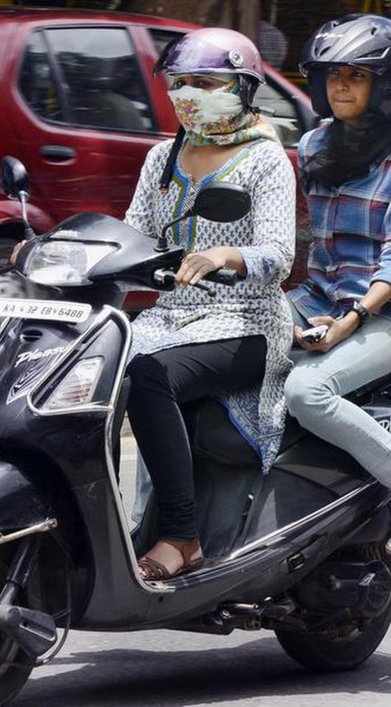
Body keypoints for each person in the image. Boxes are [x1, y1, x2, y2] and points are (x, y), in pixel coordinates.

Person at [124, 28, 296, 580]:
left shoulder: (265, 160)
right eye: (181, 83)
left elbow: (279, 255)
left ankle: (180, 535)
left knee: (147, 376)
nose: (190, 94)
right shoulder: (160, 157)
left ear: (243, 88)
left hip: (246, 324)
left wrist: (228, 254)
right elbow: (132, 237)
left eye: (206, 82)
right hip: (167, 318)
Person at [283, 13, 391, 557]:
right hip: (319, 300)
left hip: (388, 315)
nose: (339, 85)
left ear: (386, 84)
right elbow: (312, 248)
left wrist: (350, 319)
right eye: (332, 74)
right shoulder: (313, 145)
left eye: (355, 75)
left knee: (306, 391)